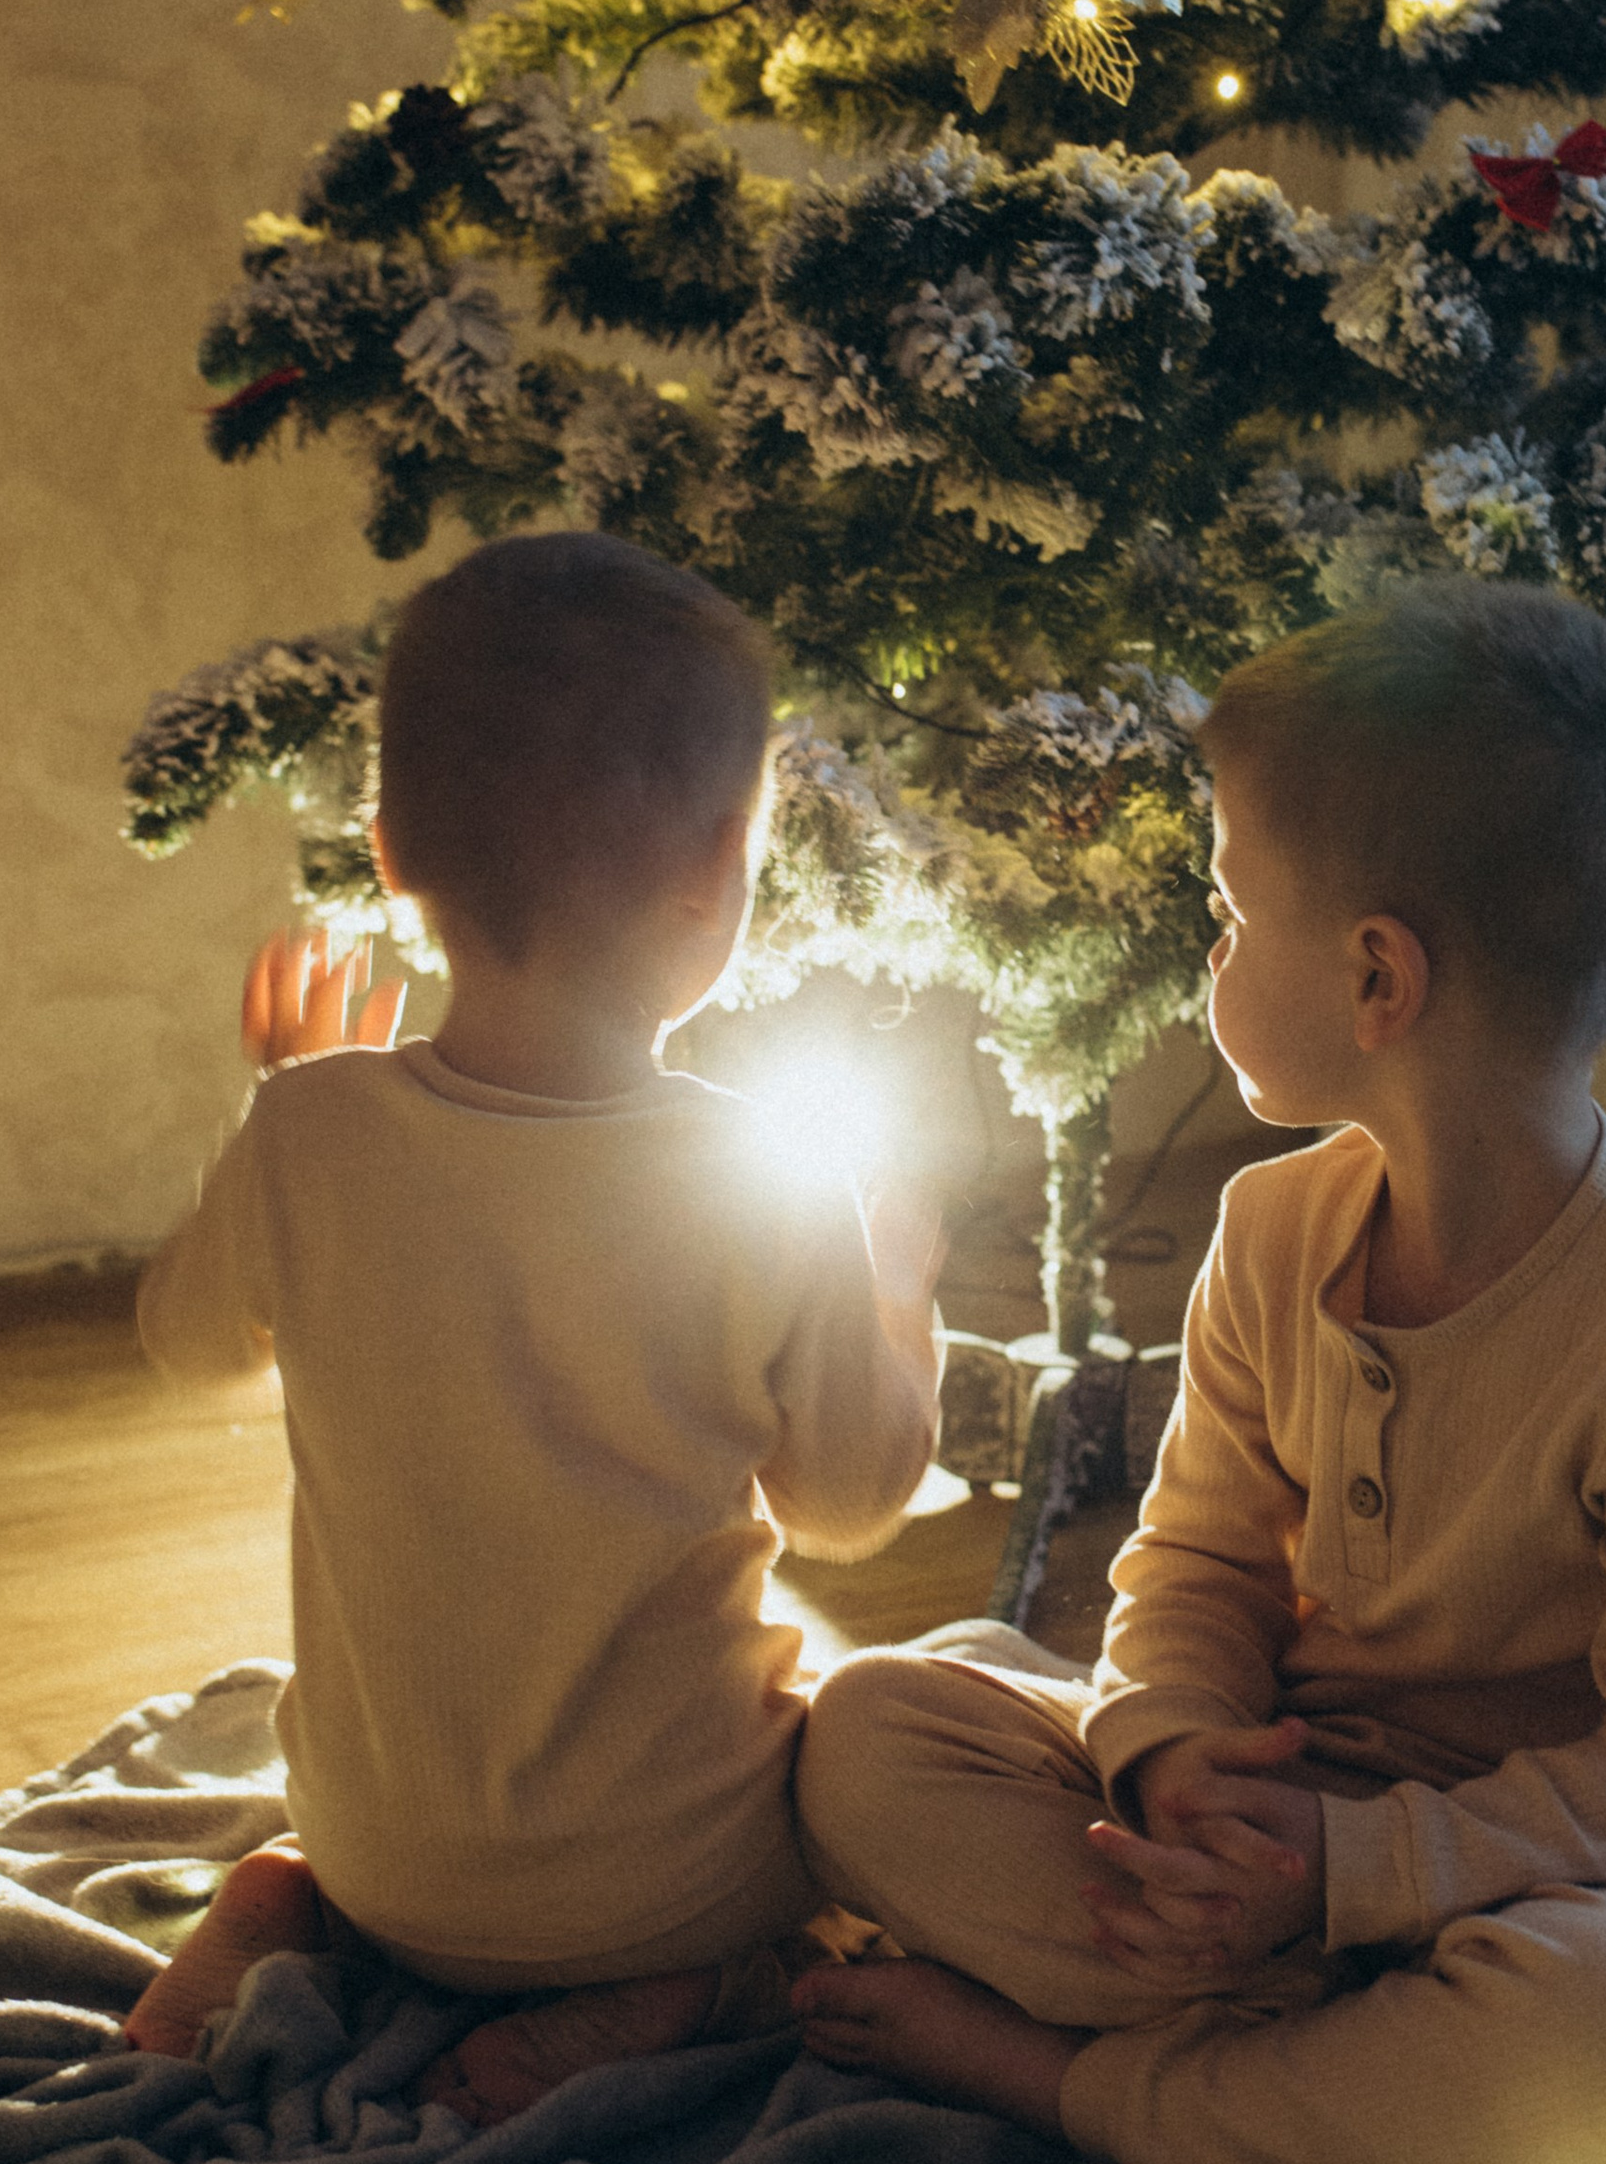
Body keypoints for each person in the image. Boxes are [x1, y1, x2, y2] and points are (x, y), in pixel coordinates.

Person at [790, 577, 1606, 2164]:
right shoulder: (1272, 1228)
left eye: (1226, 915)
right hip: (1264, 1835)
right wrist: (1171, 1757)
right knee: (866, 1730)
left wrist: (1360, 1866)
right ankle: (1296, 2063)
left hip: (1550, 1886)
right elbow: (1199, 1560)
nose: (1205, 955)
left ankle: (1073, 2078)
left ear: (1376, 981)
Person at [123, 534, 943, 2123]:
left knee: (350, 1810)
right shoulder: (764, 1181)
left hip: (386, 1857)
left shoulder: (308, 1130)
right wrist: (900, 1301)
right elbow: (853, 1507)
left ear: (386, 851)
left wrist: (269, 1126)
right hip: (659, 1875)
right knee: (851, 1820)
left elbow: (186, 1338)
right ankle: (685, 1989)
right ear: (722, 875)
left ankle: (288, 1899)